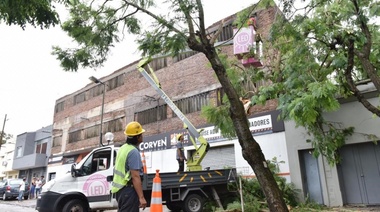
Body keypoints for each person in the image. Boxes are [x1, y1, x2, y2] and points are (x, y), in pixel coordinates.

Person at [111, 121, 147, 212]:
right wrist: (141, 197)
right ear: (137, 137)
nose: (142, 136)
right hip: (128, 191)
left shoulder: (123, 148)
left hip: (121, 191)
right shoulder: (133, 151)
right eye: (141, 134)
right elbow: (135, 176)